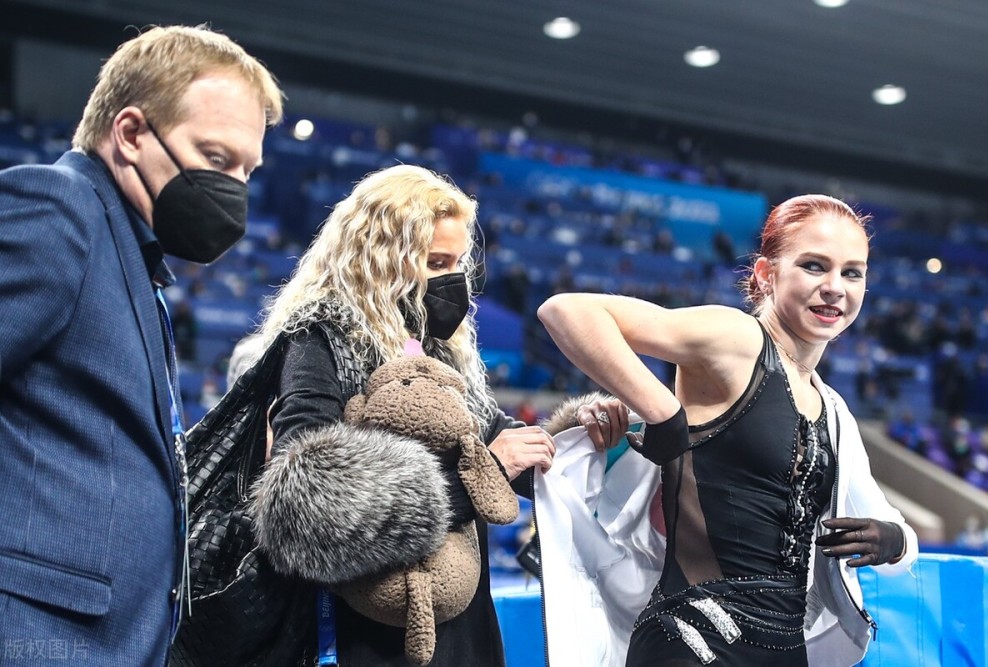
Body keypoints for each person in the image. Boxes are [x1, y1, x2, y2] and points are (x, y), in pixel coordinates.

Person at [246, 164, 628, 666]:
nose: (452, 280)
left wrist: (577, 431)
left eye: (457, 263)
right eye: (435, 262)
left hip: (462, 629)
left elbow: (501, 442)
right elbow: (309, 502)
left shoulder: (440, 349)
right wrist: (482, 476)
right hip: (369, 636)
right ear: (381, 260)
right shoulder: (320, 340)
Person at [0, 25, 282, 665]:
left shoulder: (133, 253)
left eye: (246, 170)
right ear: (129, 134)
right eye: (215, 158)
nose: (234, 189)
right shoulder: (59, 209)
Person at [538, 194, 918, 666]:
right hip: (694, 639)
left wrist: (892, 539)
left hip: (784, 650)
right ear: (765, 275)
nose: (835, 287)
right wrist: (661, 411)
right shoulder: (738, 339)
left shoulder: (834, 410)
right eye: (814, 266)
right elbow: (566, 311)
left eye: (852, 272)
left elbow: (901, 538)